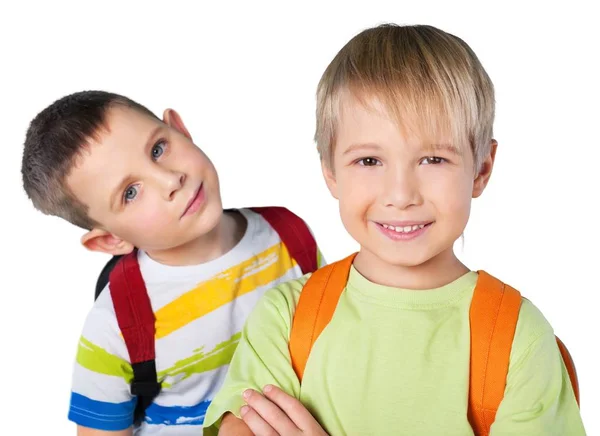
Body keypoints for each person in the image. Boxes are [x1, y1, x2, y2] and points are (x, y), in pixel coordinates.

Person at [203, 24, 586, 435]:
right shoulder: (286, 316)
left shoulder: (516, 338)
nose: (401, 195)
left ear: (482, 169)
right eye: (369, 161)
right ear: (330, 171)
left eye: (433, 159)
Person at [21, 90, 324, 435]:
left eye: (158, 149)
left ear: (178, 127)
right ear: (111, 239)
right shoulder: (115, 325)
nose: (170, 180)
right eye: (131, 192)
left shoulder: (289, 235)